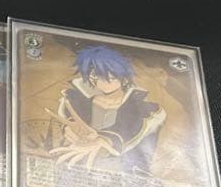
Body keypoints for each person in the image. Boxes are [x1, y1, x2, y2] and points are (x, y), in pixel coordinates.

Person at [48, 45, 167, 173]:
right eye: (95, 73)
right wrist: (73, 130)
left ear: (124, 77)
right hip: (79, 164)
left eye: (110, 73)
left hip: (125, 171)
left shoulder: (147, 110)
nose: (103, 78)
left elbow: (135, 128)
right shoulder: (74, 99)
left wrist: (105, 140)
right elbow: (69, 119)